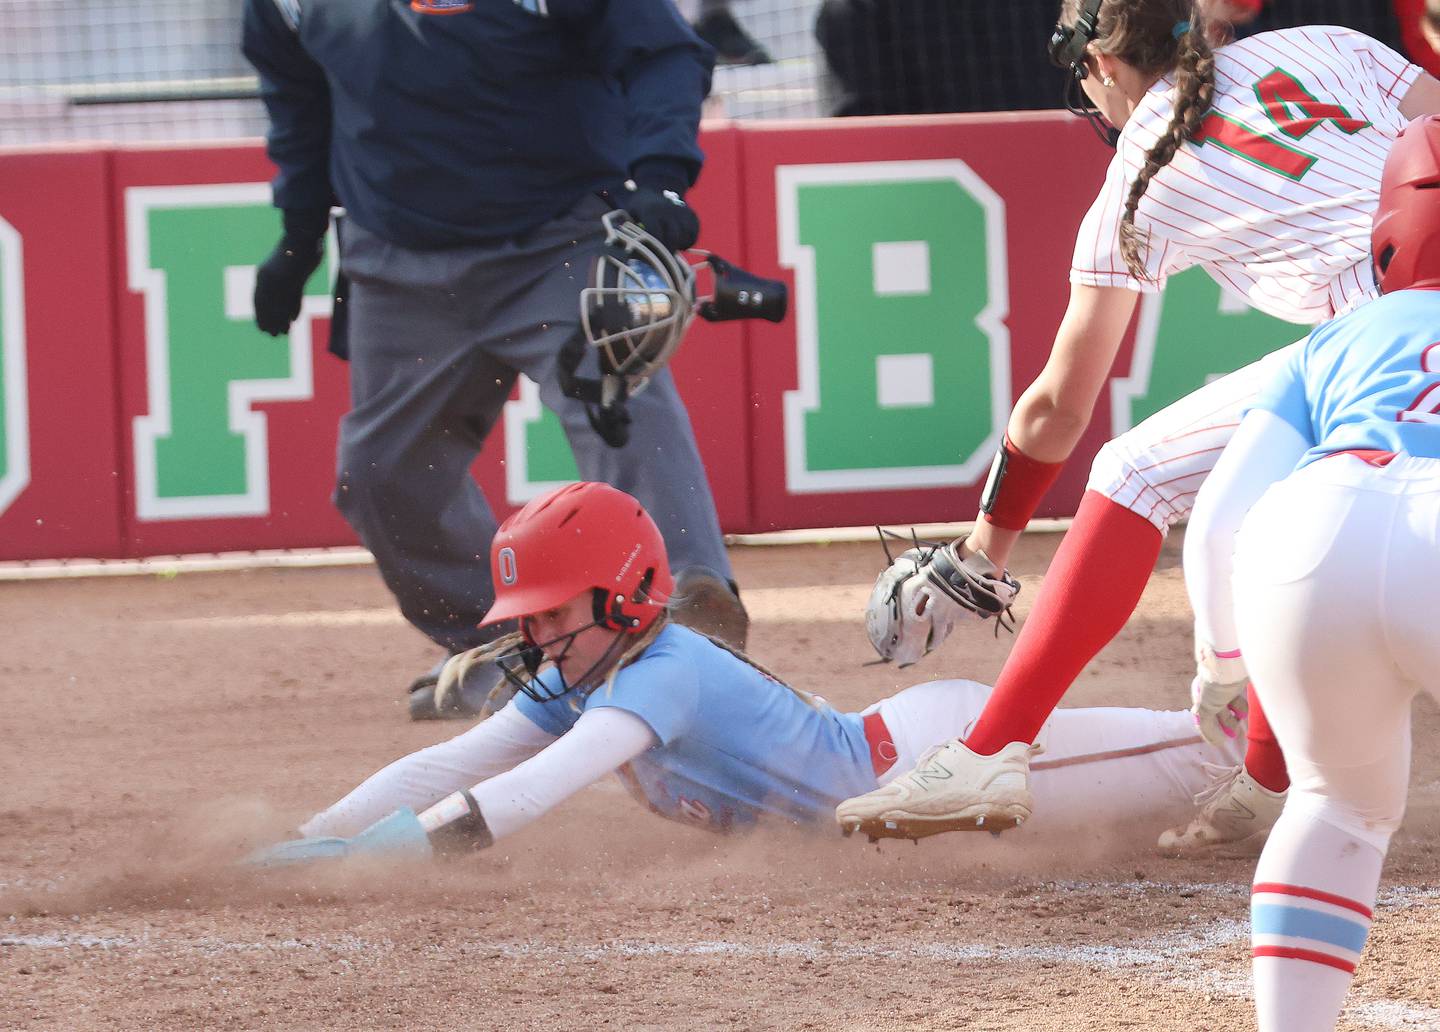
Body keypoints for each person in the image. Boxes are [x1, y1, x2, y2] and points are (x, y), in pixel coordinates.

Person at [840, 0, 1440, 849]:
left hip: (1375, 344)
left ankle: (1002, 747)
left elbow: (1057, 406)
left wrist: (985, 548)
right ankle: (1265, 772)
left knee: (1145, 478)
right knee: (1233, 499)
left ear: (1104, 66)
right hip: (1391, 324)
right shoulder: (1326, 45)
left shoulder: (1145, 169)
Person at [247, 482, 1244, 867]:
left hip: (939, 762)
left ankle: (1312, 745)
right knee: (1189, 774)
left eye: (550, 612)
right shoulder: (582, 672)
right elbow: (450, 766)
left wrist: (357, 862)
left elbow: (518, 795)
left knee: (1205, 752)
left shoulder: (658, 674)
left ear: (622, 595)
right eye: (529, 618)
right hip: (899, 801)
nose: (536, 637)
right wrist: (309, 835)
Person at [240, 0, 747, 723]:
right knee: (382, 473)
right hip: (395, 258)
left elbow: (664, 51)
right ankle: (510, 646)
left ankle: (689, 625)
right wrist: (297, 236)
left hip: (564, 233)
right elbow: (300, 99)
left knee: (621, 404)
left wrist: (661, 177)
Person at [1181, 114, 1440, 1032]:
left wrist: (1221, 666)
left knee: (1337, 809)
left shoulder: (1330, 341)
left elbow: (1217, 520)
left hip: (1309, 532)